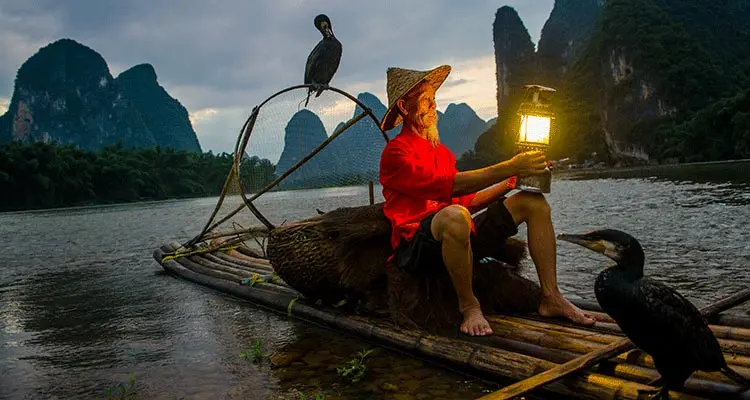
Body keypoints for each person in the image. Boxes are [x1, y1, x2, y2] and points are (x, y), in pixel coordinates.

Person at [378, 65, 597, 337]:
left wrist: (512, 180)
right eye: (425, 99)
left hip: (459, 231)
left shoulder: (441, 152)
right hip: (417, 246)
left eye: (434, 98)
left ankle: (550, 296)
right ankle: (469, 306)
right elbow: (446, 187)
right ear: (403, 105)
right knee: (454, 216)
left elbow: (468, 200)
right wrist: (508, 165)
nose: (434, 105)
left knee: (532, 202)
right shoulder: (395, 154)